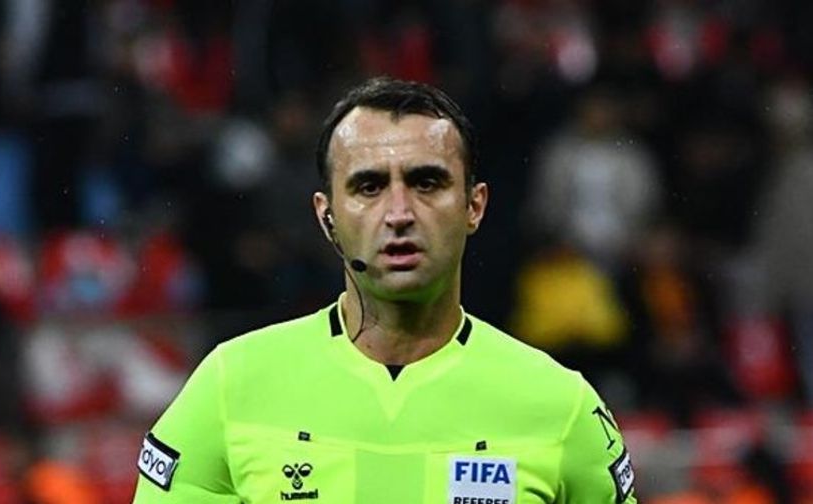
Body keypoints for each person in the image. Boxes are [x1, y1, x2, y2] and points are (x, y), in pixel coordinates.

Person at [133, 77, 637, 503]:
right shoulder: (231, 386)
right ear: (327, 217)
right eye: (369, 186)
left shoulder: (560, 405)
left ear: (474, 206)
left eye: (427, 182)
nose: (399, 213)